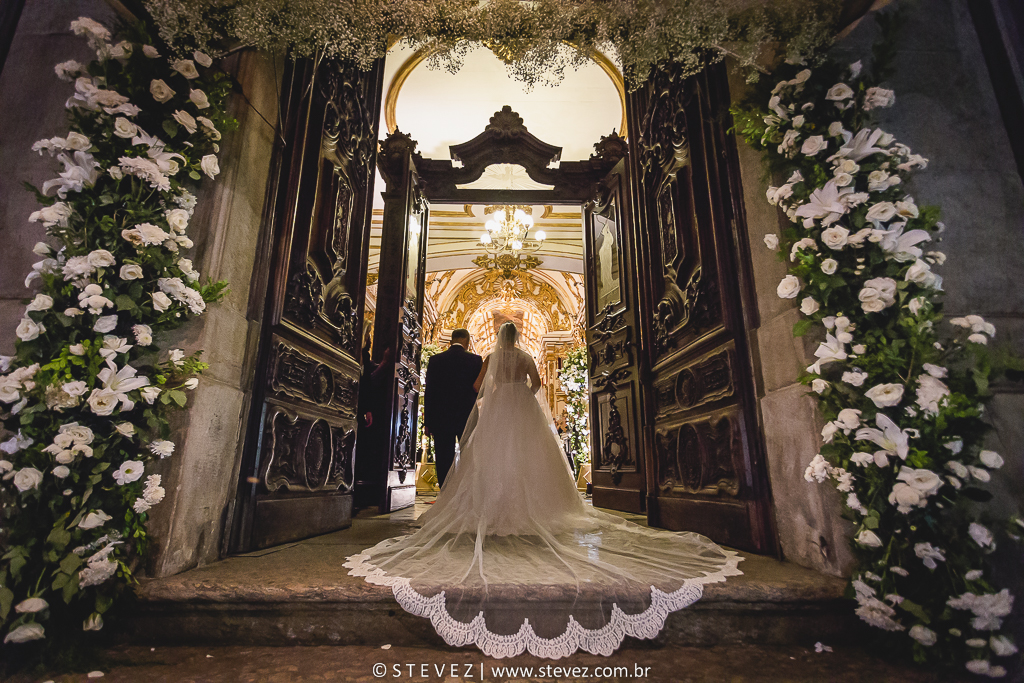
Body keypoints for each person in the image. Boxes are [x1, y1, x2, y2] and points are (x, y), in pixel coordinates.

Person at [346, 323, 741, 659]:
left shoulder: (488, 360)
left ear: (495, 340)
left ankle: (494, 502)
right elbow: (536, 385)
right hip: (523, 407)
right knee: (529, 458)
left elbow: (479, 389)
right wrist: (519, 391)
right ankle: (531, 504)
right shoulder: (526, 358)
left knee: (494, 458)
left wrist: (494, 396)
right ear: (518, 337)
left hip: (500, 407)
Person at [422, 328, 482, 487]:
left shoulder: (435, 360)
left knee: (443, 458)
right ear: (467, 342)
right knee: (468, 456)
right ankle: (466, 491)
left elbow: (430, 392)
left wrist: (427, 422)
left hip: (441, 418)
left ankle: (445, 492)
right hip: (466, 416)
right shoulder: (476, 360)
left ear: (450, 341)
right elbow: (479, 390)